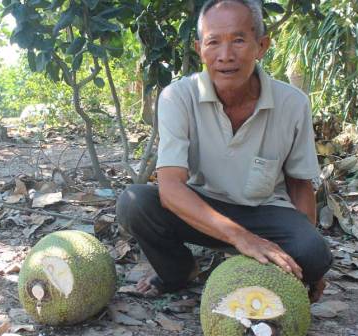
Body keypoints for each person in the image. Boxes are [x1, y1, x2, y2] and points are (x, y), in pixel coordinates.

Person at [117, 0, 332, 303]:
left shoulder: (292, 104)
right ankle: (179, 271)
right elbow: (170, 188)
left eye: (239, 40)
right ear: (199, 48)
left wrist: (311, 260)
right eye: (213, 42)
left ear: (262, 45)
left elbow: (299, 184)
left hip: (266, 213)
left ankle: (260, 269)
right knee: (133, 202)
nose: (225, 56)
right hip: (202, 208)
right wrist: (241, 238)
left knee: (314, 254)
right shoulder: (177, 97)